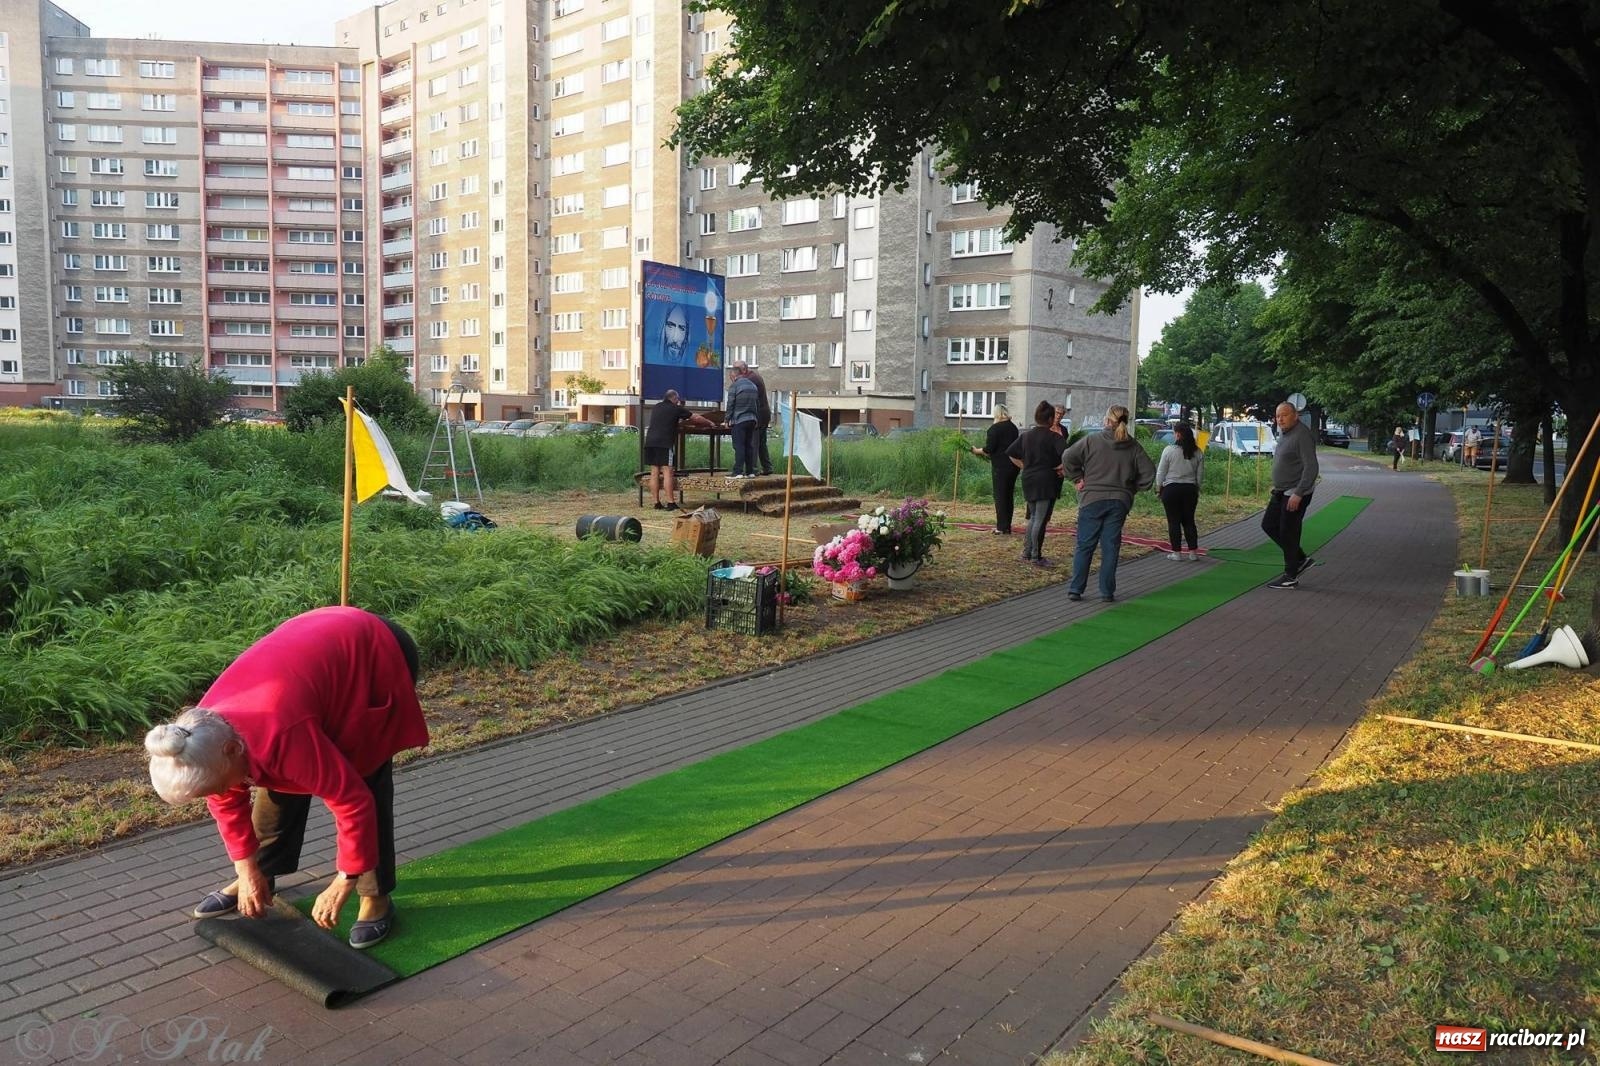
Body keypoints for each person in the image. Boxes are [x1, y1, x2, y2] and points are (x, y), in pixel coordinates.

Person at [144, 607, 429, 950]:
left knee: (363, 778)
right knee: (273, 777)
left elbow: (352, 802)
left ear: (233, 748)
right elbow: (225, 800)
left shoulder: (282, 734)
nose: (220, 794)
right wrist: (246, 869)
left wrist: (344, 877)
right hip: (311, 663)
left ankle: (376, 896)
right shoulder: (197, 737)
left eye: (218, 787)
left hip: (373, 655)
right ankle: (265, 873)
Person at [1062, 404, 1157, 602]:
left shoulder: (1091, 440)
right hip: (1119, 501)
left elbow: (1068, 456)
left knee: (1084, 546)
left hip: (1092, 499)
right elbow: (1149, 473)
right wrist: (1131, 489)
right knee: (1110, 547)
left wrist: (1077, 478)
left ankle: (1076, 589)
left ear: (1106, 420)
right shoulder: (1133, 446)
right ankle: (1106, 592)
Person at [1264, 401, 1321, 589]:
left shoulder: (1302, 435)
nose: (1280, 419)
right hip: (1282, 490)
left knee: (1288, 532)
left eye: (1284, 415)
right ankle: (1301, 559)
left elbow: (1311, 467)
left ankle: (1290, 575)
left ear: (1295, 415)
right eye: (1277, 416)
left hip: (1295, 491)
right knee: (1269, 524)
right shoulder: (1284, 432)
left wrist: (1298, 493)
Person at [1007, 400, 1070, 567]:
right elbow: (1070, 455)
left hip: (1028, 478)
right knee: (1039, 519)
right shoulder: (1054, 437)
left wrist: (1024, 466)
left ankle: (1026, 553)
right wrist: (1060, 467)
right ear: (1050, 419)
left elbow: (1011, 453)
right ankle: (1036, 556)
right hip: (1045, 480)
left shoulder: (1026, 435)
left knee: (1033, 518)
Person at [644, 389, 714, 509]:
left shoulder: (657, 407)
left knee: (654, 471)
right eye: (678, 399)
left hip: (650, 441)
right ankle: (671, 503)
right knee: (668, 471)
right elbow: (695, 418)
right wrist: (710, 423)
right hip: (664, 443)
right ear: (675, 399)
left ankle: (656, 502)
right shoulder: (676, 408)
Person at [1156, 422, 1204, 559]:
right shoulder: (1198, 452)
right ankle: (1193, 552)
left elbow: (1161, 472)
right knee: (1189, 521)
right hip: (1190, 490)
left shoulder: (1169, 450)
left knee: (1173, 521)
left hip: (1171, 489)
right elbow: (1200, 475)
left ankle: (1176, 552)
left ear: (1177, 434)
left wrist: (1159, 487)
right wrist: (1196, 488)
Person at [971, 404, 1020, 534]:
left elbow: (989, 449)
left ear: (997, 414)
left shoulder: (994, 429)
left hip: (1000, 467)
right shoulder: (1013, 428)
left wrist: (977, 451)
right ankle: (1007, 525)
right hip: (1014, 466)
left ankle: (1001, 527)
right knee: (1008, 495)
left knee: (1000, 496)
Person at [722, 364, 760, 478]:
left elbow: (730, 403)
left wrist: (727, 419)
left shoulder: (735, 386)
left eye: (730, 378)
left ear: (733, 376)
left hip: (739, 420)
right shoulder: (753, 386)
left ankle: (738, 472)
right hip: (752, 419)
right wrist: (756, 418)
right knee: (749, 445)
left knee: (739, 446)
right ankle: (750, 471)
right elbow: (757, 404)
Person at [737, 361, 774, 475]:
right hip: (763, 413)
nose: (733, 371)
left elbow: (745, 398)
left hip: (758, 414)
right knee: (761, 442)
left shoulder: (750, 379)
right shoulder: (754, 376)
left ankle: (752, 469)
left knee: (754, 441)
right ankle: (767, 467)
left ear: (743, 370)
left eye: (736, 369)